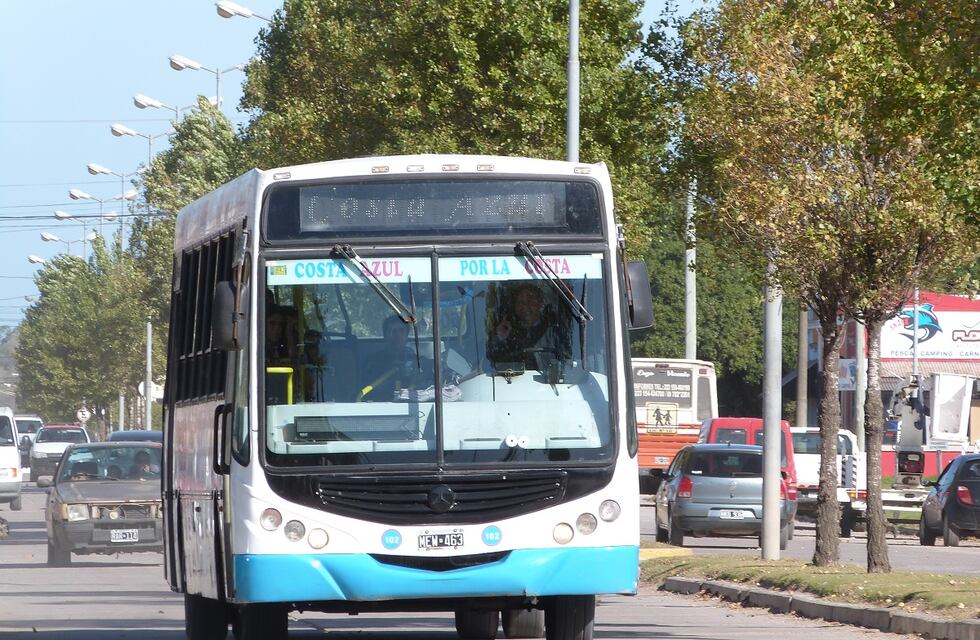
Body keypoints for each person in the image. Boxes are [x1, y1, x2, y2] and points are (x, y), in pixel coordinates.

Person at [487, 283, 570, 369]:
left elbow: (566, 360)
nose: (525, 306)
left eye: (530, 301)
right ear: (515, 306)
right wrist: (499, 339)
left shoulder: (554, 332)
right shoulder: (507, 331)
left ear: (540, 304)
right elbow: (491, 362)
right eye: (521, 302)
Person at [359, 315, 420, 401]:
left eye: (401, 331)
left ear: (407, 335)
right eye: (392, 331)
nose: (397, 335)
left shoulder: (418, 362)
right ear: (385, 335)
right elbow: (366, 392)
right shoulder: (373, 362)